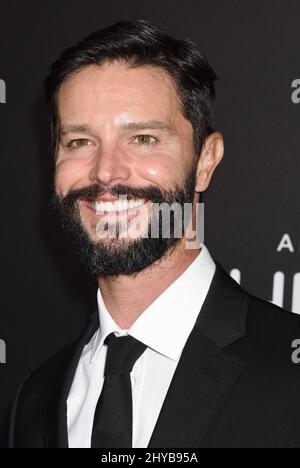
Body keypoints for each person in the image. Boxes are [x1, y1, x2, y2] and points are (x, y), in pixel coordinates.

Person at [9, 19, 300, 448]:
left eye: (143, 138)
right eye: (79, 142)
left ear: (205, 161)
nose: (106, 171)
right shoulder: (34, 399)